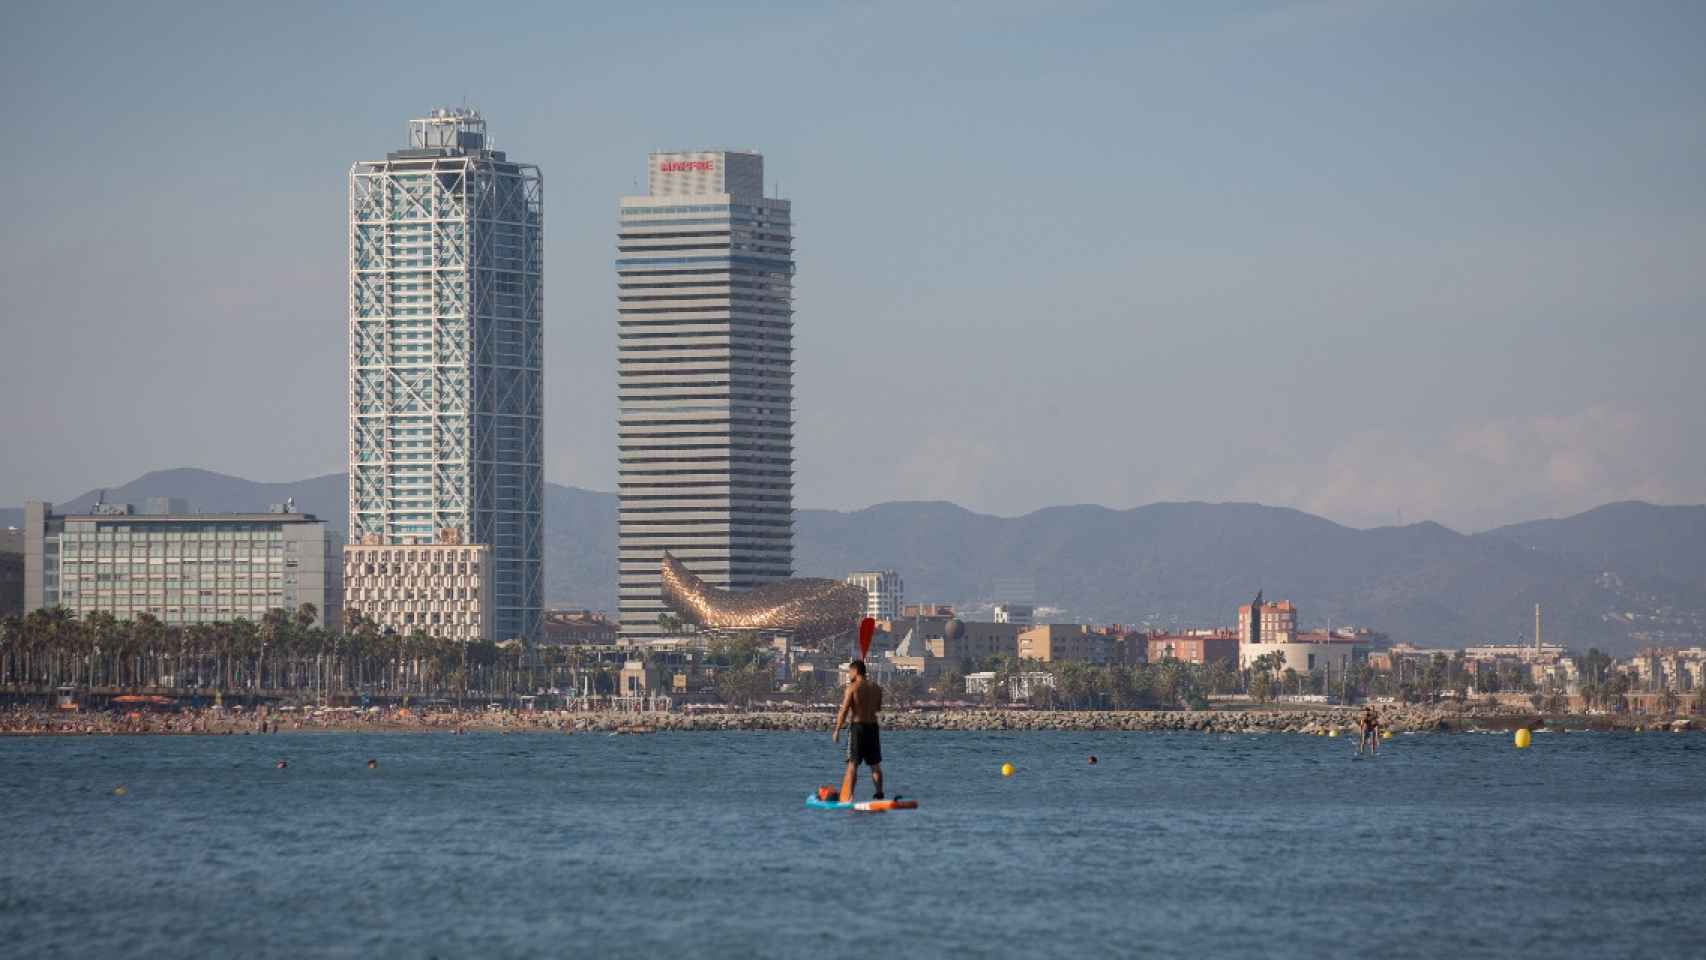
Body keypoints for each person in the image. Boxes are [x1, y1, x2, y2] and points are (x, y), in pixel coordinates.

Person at [831, 660, 885, 800]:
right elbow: (878, 708)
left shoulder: (852, 688)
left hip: (857, 728)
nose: (849, 675)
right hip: (873, 727)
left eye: (849, 672)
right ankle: (879, 793)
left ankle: (849, 796)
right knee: (875, 764)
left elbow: (844, 710)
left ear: (855, 671)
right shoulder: (877, 688)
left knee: (853, 764)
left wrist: (837, 729)